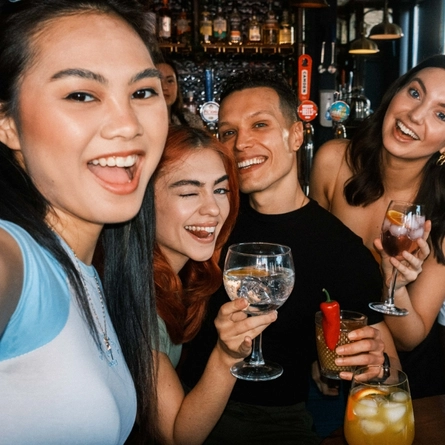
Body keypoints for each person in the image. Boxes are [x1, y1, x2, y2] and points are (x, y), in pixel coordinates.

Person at [179, 69, 400, 444]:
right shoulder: (204, 221)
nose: (241, 143)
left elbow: (388, 376)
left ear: (296, 135)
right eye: (228, 132)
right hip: (177, 407)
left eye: (260, 124)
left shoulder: (340, 249)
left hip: (273, 422)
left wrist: (376, 367)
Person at [0, 0, 168, 443]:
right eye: (81, 95)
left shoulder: (87, 269)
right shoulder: (11, 256)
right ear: (7, 123)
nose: (127, 124)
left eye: (143, 92)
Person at [310, 54, 445, 398]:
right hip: (328, 354)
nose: (415, 115)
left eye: (441, 114)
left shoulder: (443, 210)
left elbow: (411, 337)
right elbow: (309, 268)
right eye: (415, 93)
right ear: (394, 93)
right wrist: (316, 351)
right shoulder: (333, 161)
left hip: (404, 380)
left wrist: (394, 284)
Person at [147, 125, 277, 444]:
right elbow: (178, 438)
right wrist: (226, 356)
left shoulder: (179, 278)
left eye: (220, 190)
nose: (213, 209)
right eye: (189, 192)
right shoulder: (136, 295)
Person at [157, 57, 204, 128]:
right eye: (158, 81)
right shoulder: (138, 122)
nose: (164, 87)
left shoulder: (191, 122)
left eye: (170, 81)